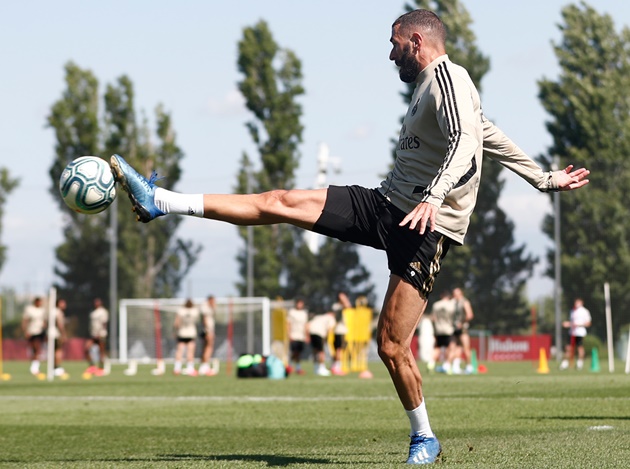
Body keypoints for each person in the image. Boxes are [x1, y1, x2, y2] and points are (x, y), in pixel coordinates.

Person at [109, 9, 590, 464]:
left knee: (389, 346)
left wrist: (435, 197)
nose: (390, 54)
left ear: (416, 42)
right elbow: (490, 133)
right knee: (280, 202)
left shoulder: (449, 78)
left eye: (394, 44)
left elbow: (468, 140)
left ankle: (424, 434)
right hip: (385, 205)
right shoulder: (426, 87)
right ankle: (162, 202)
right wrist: (543, 178)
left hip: (426, 227)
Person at [428, 290, 456, 374]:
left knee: (437, 348)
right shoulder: (451, 305)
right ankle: (447, 365)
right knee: (450, 347)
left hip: (438, 329)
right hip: (448, 329)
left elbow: (433, 318)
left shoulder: (436, 305)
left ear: (442, 296)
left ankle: (431, 363)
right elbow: (454, 317)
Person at [560, 298, 592, 371]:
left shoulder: (585, 311)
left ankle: (579, 364)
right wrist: (568, 324)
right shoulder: (572, 311)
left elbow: (588, 323)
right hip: (572, 332)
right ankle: (564, 363)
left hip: (580, 333)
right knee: (568, 348)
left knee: (580, 348)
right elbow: (572, 322)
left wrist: (578, 325)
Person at [173, 299, 200, 376]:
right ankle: (190, 368)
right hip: (191, 333)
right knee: (190, 351)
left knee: (179, 351)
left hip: (182, 332)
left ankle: (177, 368)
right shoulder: (195, 311)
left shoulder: (181, 311)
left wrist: (175, 331)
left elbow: (176, 323)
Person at [307, 311, 337, 376]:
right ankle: (321, 368)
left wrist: (307, 336)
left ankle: (316, 368)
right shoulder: (331, 318)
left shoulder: (318, 316)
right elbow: (330, 329)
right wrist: (326, 339)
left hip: (311, 332)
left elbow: (308, 325)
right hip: (320, 333)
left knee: (315, 351)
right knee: (321, 352)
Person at [21, 297, 46, 375]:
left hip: (40, 331)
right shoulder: (29, 309)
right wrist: (25, 331)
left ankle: (35, 367)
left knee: (37, 348)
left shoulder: (42, 310)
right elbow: (25, 320)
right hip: (32, 331)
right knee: (34, 349)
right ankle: (34, 367)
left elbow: (44, 321)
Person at [452, 287, 474, 374]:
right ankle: (456, 367)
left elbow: (470, 315)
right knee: (457, 347)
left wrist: (462, 323)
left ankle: (469, 366)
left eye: (456, 294)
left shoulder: (465, 302)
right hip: (455, 328)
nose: (454, 295)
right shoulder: (455, 303)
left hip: (463, 328)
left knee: (466, 347)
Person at [84, 298, 109, 375]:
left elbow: (104, 323)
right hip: (93, 335)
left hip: (101, 334)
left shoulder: (103, 312)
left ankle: (101, 368)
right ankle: (92, 367)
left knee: (101, 352)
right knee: (86, 348)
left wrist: (100, 333)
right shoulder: (93, 312)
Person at [331, 292, 352, 375]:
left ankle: (334, 366)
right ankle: (336, 367)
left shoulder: (340, 306)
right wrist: (344, 299)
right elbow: (347, 306)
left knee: (339, 350)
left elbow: (349, 307)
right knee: (338, 350)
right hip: (339, 330)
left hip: (342, 330)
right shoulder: (336, 306)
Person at [286, 298, 309, 375]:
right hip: (294, 335)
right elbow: (288, 324)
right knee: (294, 352)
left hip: (301, 336)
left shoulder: (304, 313)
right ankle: (290, 366)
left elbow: (306, 325)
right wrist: (289, 334)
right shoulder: (292, 312)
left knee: (299, 353)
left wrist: (307, 336)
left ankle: (298, 368)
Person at [198, 295, 217, 376]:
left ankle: (204, 366)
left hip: (207, 329)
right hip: (207, 330)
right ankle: (205, 366)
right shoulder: (205, 307)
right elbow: (205, 319)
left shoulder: (208, 307)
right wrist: (208, 330)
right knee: (208, 347)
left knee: (206, 347)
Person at [51, 298, 68, 377]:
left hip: (50, 334)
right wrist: (63, 334)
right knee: (58, 351)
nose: (64, 304)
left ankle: (54, 368)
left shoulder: (52, 311)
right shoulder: (58, 312)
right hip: (56, 334)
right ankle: (57, 368)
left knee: (53, 351)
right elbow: (60, 324)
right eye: (62, 303)